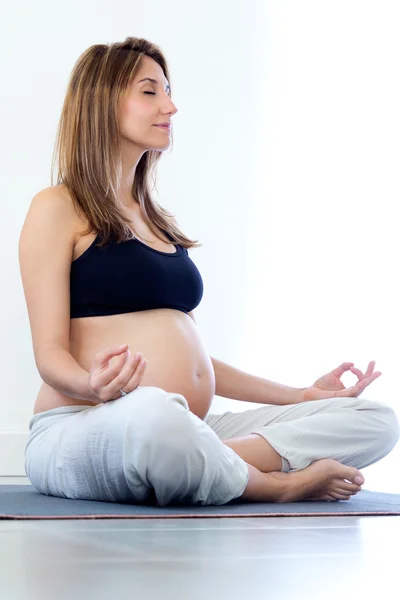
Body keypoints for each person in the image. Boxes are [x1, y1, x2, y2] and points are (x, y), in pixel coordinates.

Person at [19, 36, 399, 507]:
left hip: (186, 427)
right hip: (88, 426)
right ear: (102, 103)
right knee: (154, 418)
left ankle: (204, 461)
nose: (171, 106)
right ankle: (276, 484)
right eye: (150, 91)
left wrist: (302, 396)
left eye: (168, 90)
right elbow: (49, 355)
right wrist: (90, 385)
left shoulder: (154, 219)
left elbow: (197, 360)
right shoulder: (58, 207)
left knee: (374, 419)